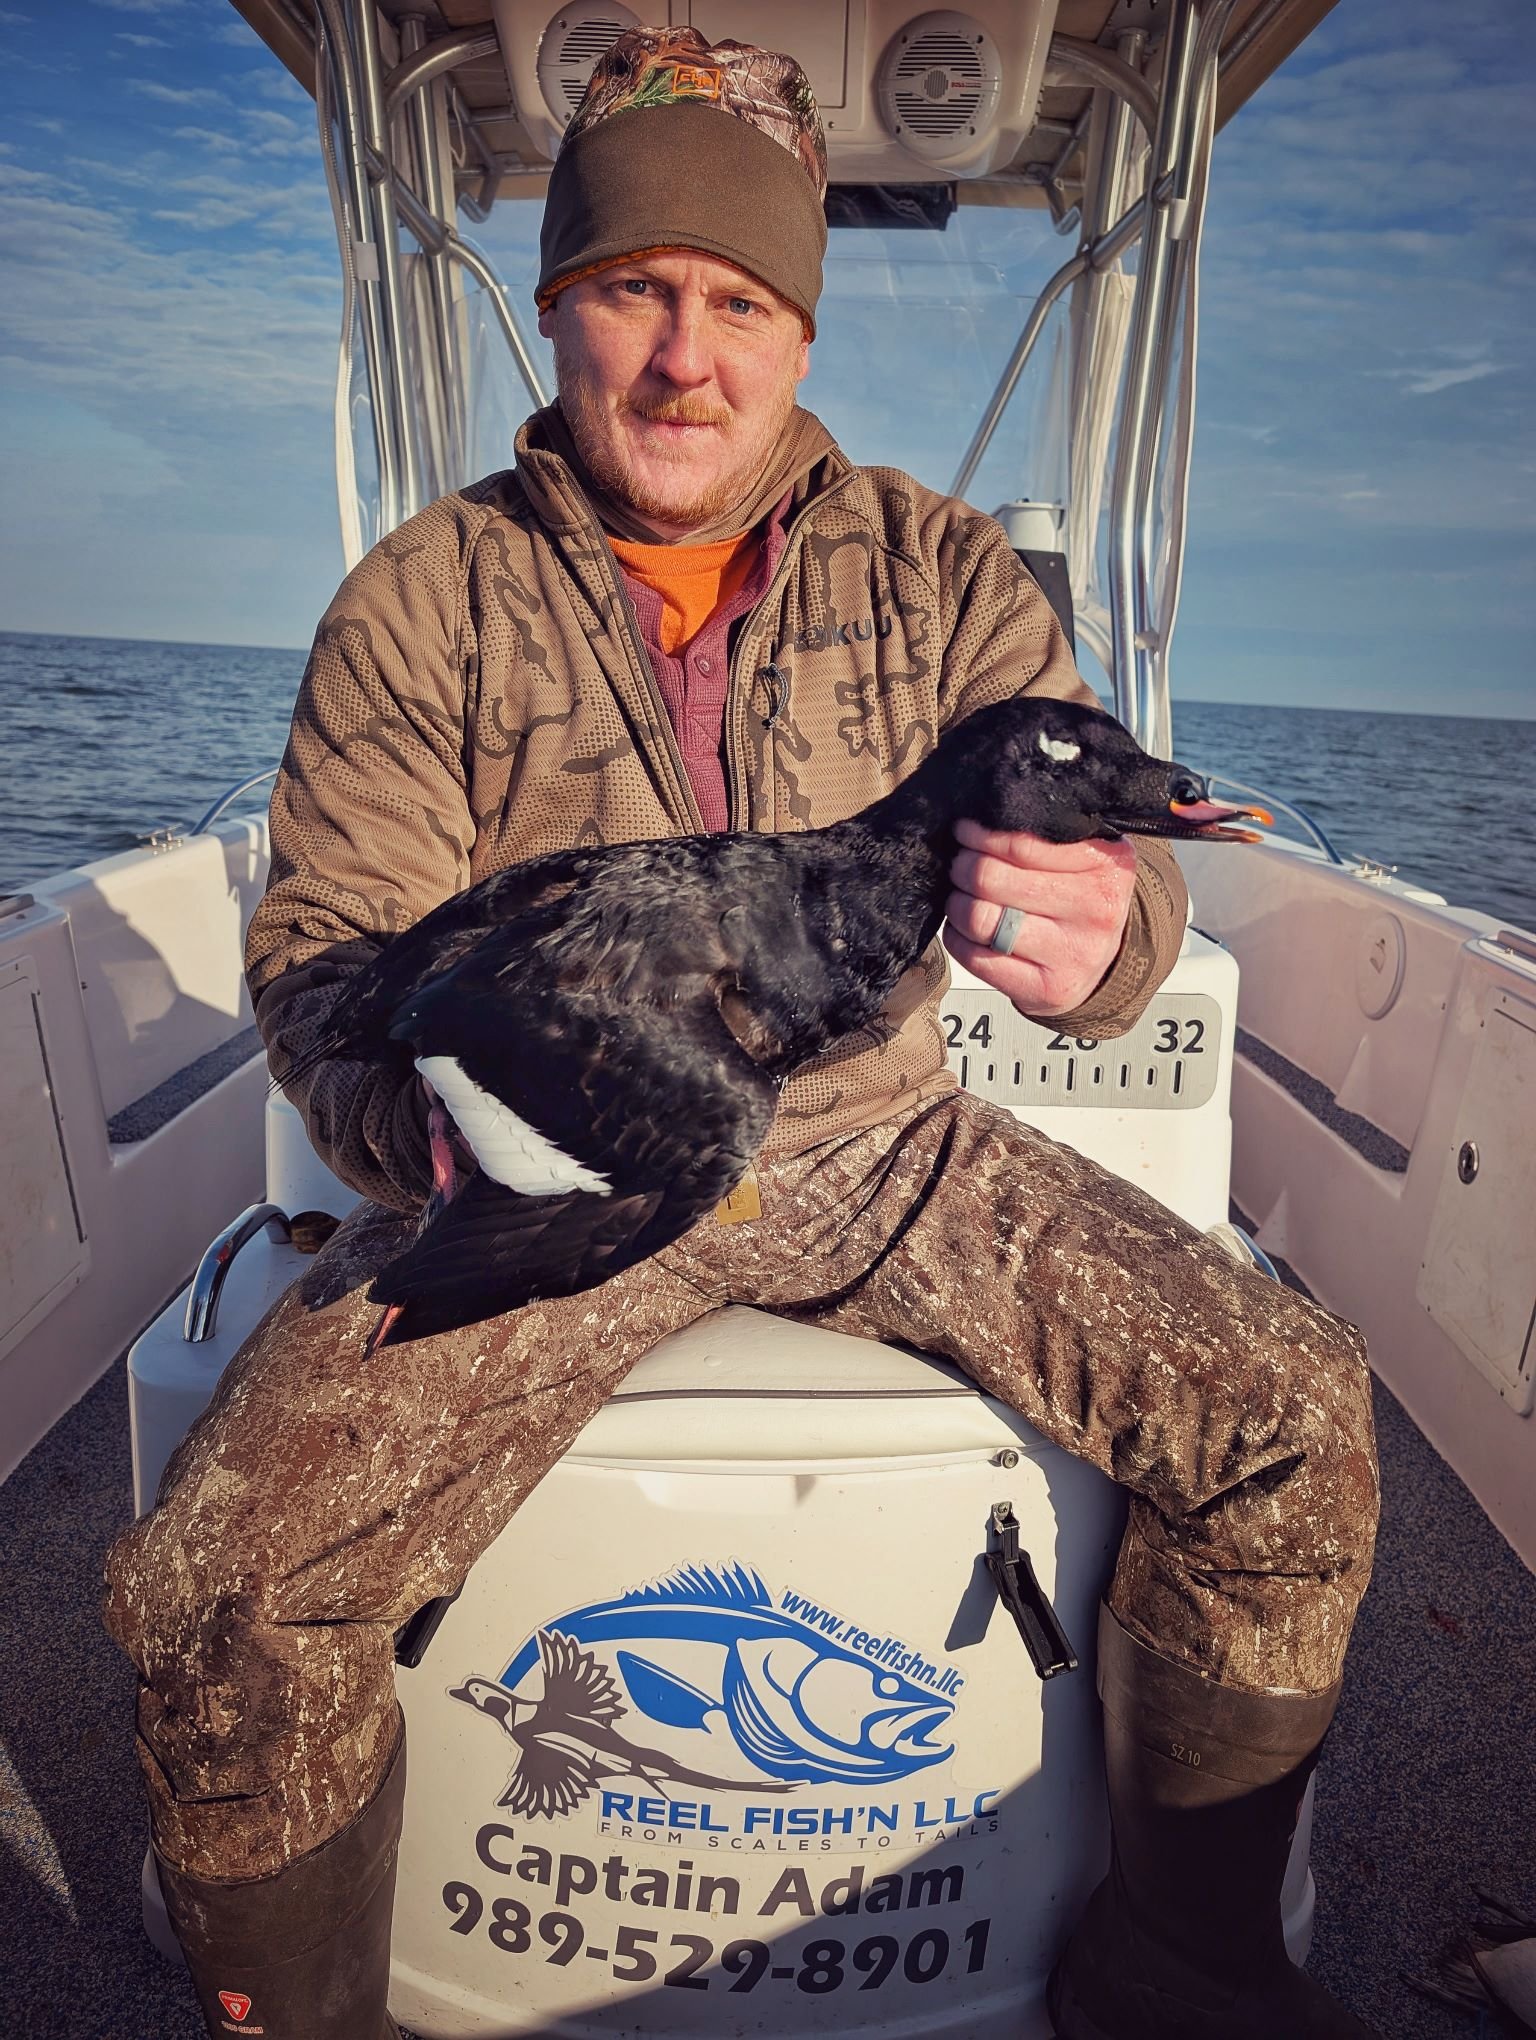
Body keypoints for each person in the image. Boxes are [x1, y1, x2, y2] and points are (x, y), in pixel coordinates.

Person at [102, 28, 1380, 2040]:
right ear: (556, 305)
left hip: (888, 1153)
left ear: (795, 329)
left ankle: (1185, 1961)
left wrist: (1109, 937)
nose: (685, 355)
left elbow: (1124, 902)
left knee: (1291, 1412)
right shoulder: (420, 600)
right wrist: (465, 1144)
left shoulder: (952, 575)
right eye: (634, 292)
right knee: (218, 1586)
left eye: (738, 303)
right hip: (551, 1182)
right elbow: (329, 975)